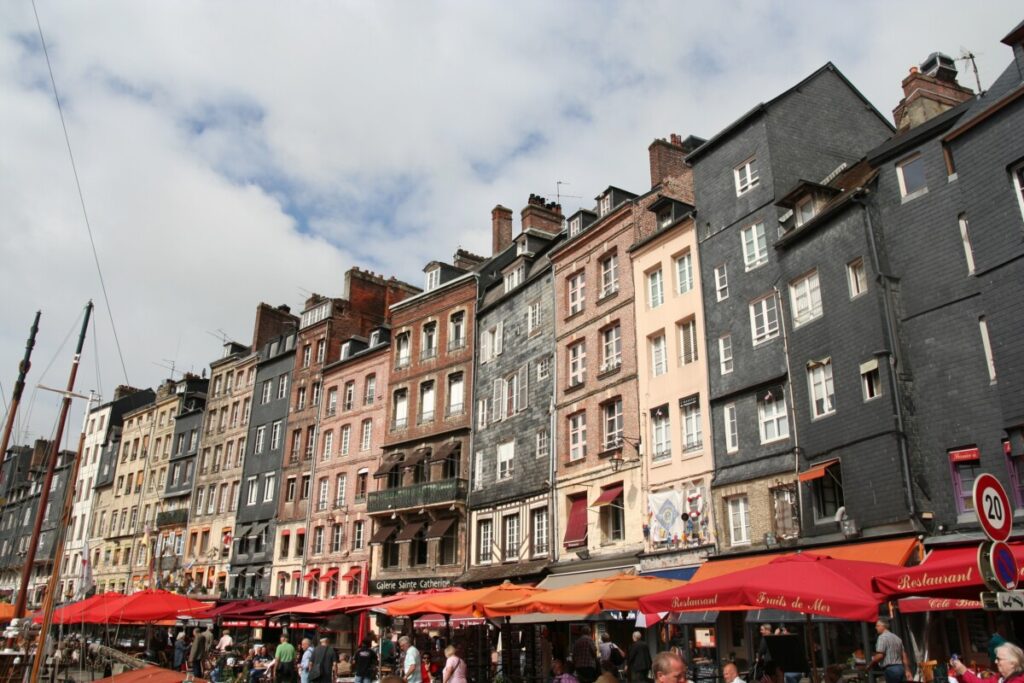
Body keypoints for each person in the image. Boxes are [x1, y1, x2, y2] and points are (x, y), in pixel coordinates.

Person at [952, 643, 1024, 683]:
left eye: (999, 659)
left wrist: (964, 672)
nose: (995, 661)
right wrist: (961, 672)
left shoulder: (1019, 680)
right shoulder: (1000, 677)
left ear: (1013, 663)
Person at [869, 619, 912, 683]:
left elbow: (880, 655)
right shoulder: (897, 638)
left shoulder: (882, 638)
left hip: (890, 669)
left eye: (877, 626)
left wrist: (870, 664)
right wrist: (907, 670)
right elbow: (904, 655)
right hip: (900, 668)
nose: (876, 628)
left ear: (883, 626)